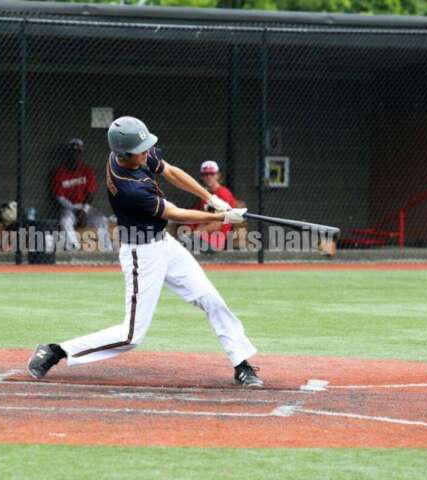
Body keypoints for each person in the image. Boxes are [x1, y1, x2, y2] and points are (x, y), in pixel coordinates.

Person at [27, 116, 263, 387]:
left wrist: (213, 199)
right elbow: (174, 213)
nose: (147, 152)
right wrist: (224, 218)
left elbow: (171, 172)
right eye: (141, 150)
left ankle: (241, 363)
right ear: (125, 154)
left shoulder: (131, 154)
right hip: (141, 254)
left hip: (164, 243)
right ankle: (55, 351)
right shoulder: (129, 187)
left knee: (211, 298)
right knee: (131, 336)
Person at [52, 138, 113, 251]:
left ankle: (107, 250)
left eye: (78, 152)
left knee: (102, 219)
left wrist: (84, 210)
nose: (75, 155)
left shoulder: (86, 170)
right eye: (72, 152)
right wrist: (75, 210)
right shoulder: (59, 172)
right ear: (68, 153)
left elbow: (91, 194)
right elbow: (59, 197)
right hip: (69, 208)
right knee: (65, 221)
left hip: (85, 208)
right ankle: (74, 250)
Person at [190, 160, 238, 252]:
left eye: (212, 174)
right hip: (203, 237)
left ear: (218, 175)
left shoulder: (224, 193)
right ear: (201, 177)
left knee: (182, 243)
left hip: (215, 241)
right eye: (205, 174)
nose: (208, 177)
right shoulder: (205, 195)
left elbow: (218, 224)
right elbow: (201, 217)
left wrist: (196, 232)